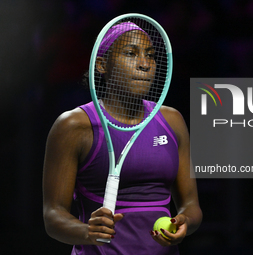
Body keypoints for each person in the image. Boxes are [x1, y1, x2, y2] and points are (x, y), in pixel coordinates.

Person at [43, 21, 202, 254]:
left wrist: (185, 222)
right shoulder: (73, 126)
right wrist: (87, 231)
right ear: (101, 65)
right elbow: (53, 215)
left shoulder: (172, 120)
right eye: (131, 53)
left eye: (150, 55)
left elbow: (191, 205)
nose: (145, 64)